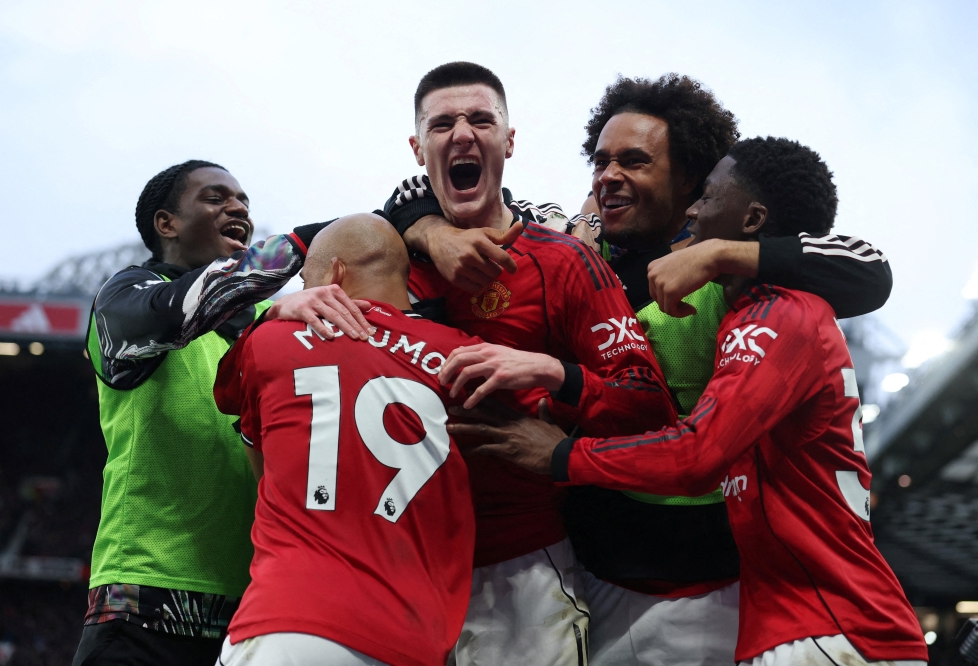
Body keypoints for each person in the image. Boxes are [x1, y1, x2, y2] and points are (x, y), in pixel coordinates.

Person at [391, 74, 893, 665]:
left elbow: (871, 269)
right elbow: (408, 193)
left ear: (691, 181)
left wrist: (721, 253)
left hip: (711, 588)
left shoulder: (737, 279)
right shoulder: (572, 240)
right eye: (600, 161)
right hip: (592, 573)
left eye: (633, 161)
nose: (608, 177)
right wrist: (432, 232)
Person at [377, 61, 680, 665]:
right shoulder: (373, 257)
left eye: (481, 119)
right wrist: (295, 305)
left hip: (520, 569)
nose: (462, 134)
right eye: (442, 124)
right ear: (417, 148)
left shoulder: (564, 261)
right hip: (391, 568)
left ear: (508, 142)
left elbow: (651, 406)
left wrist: (556, 380)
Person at [74, 160, 372, 666]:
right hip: (144, 609)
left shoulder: (263, 323)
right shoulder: (122, 303)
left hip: (255, 613)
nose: (238, 208)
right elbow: (186, 305)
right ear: (165, 224)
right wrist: (348, 233)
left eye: (244, 203)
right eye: (215, 198)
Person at [213, 213, 481, 666]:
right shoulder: (465, 355)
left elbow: (233, 402)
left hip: (290, 620)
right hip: (417, 638)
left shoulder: (271, 340)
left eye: (305, 280)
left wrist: (271, 315)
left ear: (334, 275)